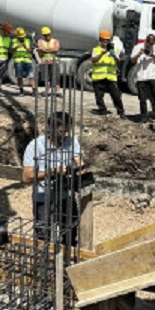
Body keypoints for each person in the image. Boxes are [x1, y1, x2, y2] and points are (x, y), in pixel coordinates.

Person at [23, 111, 84, 245]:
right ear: (50, 129)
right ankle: (44, 255)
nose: (67, 135)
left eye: (68, 130)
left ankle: (67, 253)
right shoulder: (35, 146)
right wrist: (53, 172)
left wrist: (82, 172)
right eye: (63, 131)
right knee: (43, 232)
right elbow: (27, 177)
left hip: (66, 193)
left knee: (70, 228)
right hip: (43, 195)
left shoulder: (71, 140)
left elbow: (79, 162)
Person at [90, 30, 125, 118]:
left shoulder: (114, 50)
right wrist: (102, 53)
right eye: (104, 40)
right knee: (99, 96)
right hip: (99, 77)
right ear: (100, 40)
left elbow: (118, 62)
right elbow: (93, 60)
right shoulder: (96, 50)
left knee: (116, 96)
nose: (105, 42)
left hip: (110, 77)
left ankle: (121, 112)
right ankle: (102, 110)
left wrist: (114, 55)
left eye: (107, 40)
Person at [131, 34, 155, 122]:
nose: (150, 46)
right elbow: (132, 60)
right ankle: (144, 117)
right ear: (145, 41)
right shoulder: (138, 47)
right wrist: (139, 54)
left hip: (153, 77)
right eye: (148, 44)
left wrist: (152, 54)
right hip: (141, 77)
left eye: (152, 44)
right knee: (142, 99)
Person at [12, 27, 36, 96]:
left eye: (22, 37)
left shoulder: (28, 41)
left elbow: (31, 51)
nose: (21, 38)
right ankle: (21, 91)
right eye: (20, 37)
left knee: (31, 76)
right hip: (18, 61)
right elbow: (11, 51)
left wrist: (26, 47)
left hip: (27, 61)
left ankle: (34, 91)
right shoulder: (14, 41)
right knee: (19, 76)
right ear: (17, 36)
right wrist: (17, 47)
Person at [37, 26, 61, 96]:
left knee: (56, 77)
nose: (47, 36)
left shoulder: (55, 41)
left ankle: (58, 91)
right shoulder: (40, 41)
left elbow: (56, 50)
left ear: (50, 34)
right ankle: (47, 91)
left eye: (48, 34)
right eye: (45, 35)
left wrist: (45, 50)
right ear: (43, 35)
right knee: (46, 78)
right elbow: (40, 50)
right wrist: (51, 50)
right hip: (44, 62)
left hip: (54, 61)